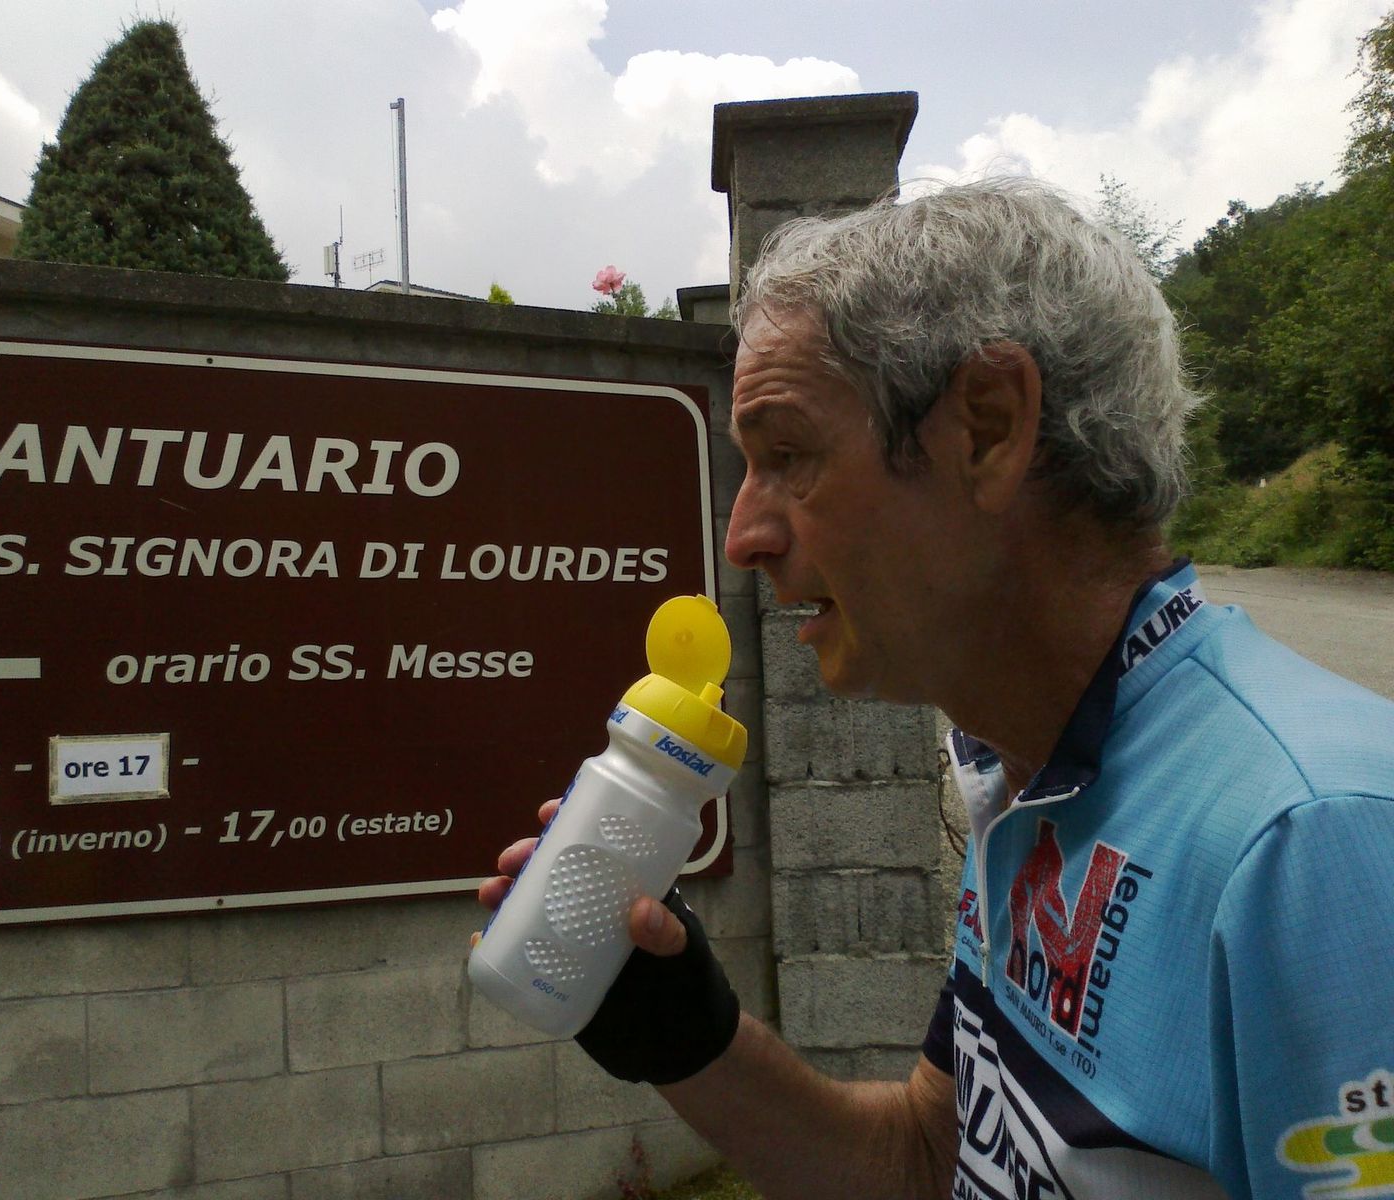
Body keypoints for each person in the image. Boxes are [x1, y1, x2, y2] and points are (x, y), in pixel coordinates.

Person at [478, 178, 1394, 1199]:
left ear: (988, 429)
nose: (745, 537)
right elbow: (926, 1159)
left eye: (789, 456)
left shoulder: (1319, 843)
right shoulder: (1028, 772)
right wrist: (689, 1038)